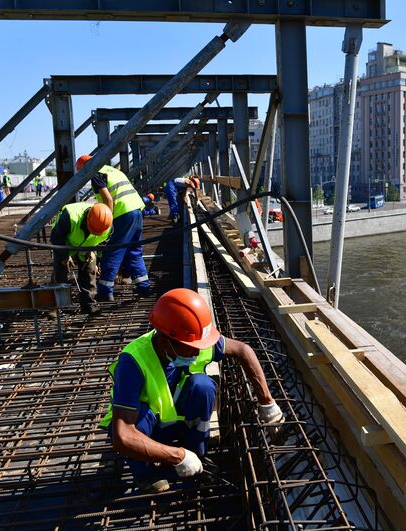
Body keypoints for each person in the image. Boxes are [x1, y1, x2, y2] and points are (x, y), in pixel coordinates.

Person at [99, 288, 284, 493]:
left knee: (203, 387)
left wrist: (267, 402)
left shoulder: (193, 341)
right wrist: (178, 456)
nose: (197, 352)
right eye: (190, 347)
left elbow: (243, 350)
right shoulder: (133, 361)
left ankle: (196, 455)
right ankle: (147, 474)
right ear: (165, 340)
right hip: (145, 433)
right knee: (138, 418)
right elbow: (123, 436)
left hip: (176, 422)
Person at [76, 155, 151, 301]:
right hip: (136, 211)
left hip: (122, 214)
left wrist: (106, 223)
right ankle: (144, 287)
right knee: (133, 252)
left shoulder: (97, 175)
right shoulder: (112, 170)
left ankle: (105, 290)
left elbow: (108, 199)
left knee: (113, 251)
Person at [50, 202, 113, 316]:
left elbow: (103, 243)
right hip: (64, 244)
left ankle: (89, 305)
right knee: (60, 271)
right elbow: (56, 238)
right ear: (87, 219)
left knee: (90, 270)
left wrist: (94, 254)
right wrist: (65, 256)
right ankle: (56, 306)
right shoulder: (70, 216)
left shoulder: (106, 226)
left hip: (87, 246)